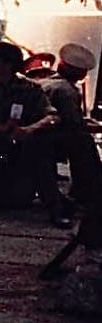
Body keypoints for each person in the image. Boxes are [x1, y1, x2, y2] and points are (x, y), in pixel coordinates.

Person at [0, 42, 72, 228]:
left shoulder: (28, 88)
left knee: (40, 145)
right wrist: (1, 129)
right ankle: (55, 202)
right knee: (34, 157)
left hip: (21, 141)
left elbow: (52, 116)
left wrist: (29, 130)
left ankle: (55, 207)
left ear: (7, 66)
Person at [37, 43, 102, 206]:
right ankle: (87, 192)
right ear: (81, 74)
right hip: (49, 138)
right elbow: (74, 125)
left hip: (37, 134)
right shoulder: (68, 91)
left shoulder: (45, 82)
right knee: (84, 142)